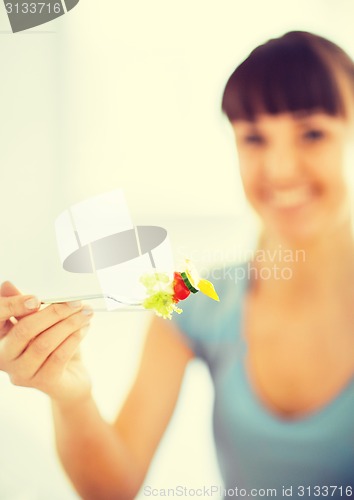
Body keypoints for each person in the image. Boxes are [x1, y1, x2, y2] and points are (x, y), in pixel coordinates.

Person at [1, 30, 354, 499]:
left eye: (313, 133)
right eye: (253, 138)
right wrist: (71, 395)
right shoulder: (194, 297)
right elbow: (113, 487)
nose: (282, 168)